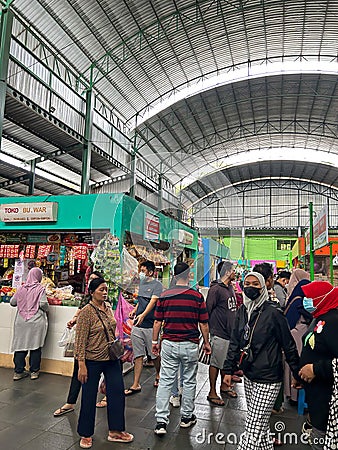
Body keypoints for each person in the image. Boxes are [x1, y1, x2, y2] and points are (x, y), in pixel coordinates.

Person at [223, 272, 300, 450]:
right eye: (247, 283)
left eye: (255, 284)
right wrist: (228, 370)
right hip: (249, 374)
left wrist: (297, 373)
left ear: (263, 287)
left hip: (269, 378)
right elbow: (235, 341)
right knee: (261, 424)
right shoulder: (243, 310)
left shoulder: (273, 313)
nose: (250, 287)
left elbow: (288, 345)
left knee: (253, 426)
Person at [152, 262, 211, 435]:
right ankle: (186, 417)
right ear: (188, 275)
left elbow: (157, 322)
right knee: (189, 381)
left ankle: (161, 422)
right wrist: (206, 343)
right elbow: (204, 323)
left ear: (175, 276)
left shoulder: (165, 295)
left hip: (169, 343)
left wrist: (154, 342)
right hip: (190, 344)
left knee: (165, 381)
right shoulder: (197, 296)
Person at [75, 277, 133, 448]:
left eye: (106, 289)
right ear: (92, 292)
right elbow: (80, 340)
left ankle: (116, 431)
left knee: (116, 392)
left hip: (111, 358)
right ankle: (85, 433)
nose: (105, 292)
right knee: (88, 396)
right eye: (101, 289)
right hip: (92, 359)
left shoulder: (107, 307)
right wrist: (82, 365)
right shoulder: (86, 312)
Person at [53, 270, 106, 417]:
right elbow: (79, 312)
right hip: (84, 341)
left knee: (105, 373)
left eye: (96, 281)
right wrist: (73, 321)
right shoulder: (85, 300)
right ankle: (71, 402)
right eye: (91, 281)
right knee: (78, 371)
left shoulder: (105, 302)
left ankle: (106, 396)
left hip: (100, 345)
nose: (91, 283)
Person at [298, 281, 338, 450]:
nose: (306, 301)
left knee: (321, 439)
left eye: (309, 298)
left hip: (327, 395)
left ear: (322, 298)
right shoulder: (320, 316)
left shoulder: (334, 321)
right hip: (317, 391)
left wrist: (315, 369)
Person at [125, 260, 162, 395]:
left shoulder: (157, 285)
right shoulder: (141, 284)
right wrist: (135, 311)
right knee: (138, 355)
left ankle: (159, 373)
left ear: (151, 272)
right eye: (140, 270)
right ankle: (136, 384)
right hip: (138, 325)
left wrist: (143, 315)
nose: (141, 273)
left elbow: (152, 302)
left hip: (151, 325)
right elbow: (141, 301)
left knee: (154, 355)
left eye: (143, 271)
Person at [206, 260, 237, 406]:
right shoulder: (216, 289)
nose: (235, 272)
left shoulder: (229, 287)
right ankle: (212, 392)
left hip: (230, 333)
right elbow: (207, 310)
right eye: (233, 270)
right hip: (219, 333)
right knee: (216, 363)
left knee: (225, 361)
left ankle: (224, 386)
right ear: (226, 272)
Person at [10, 267, 48, 381]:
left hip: (21, 321)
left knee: (20, 346)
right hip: (35, 321)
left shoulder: (21, 288)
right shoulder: (40, 289)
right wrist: (46, 308)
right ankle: (34, 371)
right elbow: (43, 304)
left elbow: (12, 302)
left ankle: (18, 372)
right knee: (35, 346)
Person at [283, 268, 311, 404]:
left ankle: (292, 394)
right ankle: (296, 396)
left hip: (295, 336)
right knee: (298, 364)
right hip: (300, 335)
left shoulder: (294, 298)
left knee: (292, 366)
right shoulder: (301, 299)